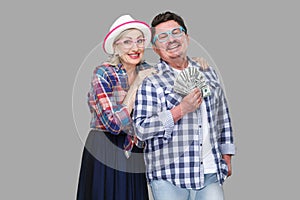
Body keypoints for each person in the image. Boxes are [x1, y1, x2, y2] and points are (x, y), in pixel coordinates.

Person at [76, 14, 209, 200]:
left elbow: (174, 70)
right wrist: (136, 84)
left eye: (139, 41)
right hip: (105, 148)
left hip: (135, 149)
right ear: (116, 46)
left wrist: (194, 63)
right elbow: (114, 124)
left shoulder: (150, 70)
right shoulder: (103, 73)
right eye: (127, 42)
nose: (135, 47)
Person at [133, 11, 236, 200]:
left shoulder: (208, 72)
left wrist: (227, 153)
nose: (171, 40)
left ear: (187, 38)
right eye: (162, 37)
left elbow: (223, 114)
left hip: (209, 173)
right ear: (155, 48)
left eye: (176, 32)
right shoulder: (151, 81)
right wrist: (180, 110)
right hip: (169, 177)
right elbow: (140, 129)